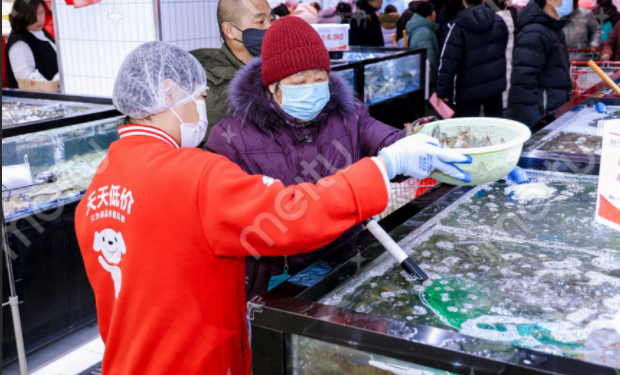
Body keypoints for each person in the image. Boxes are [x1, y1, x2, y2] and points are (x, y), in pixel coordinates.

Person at [76, 40, 471, 375]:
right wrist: (384, 168)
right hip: (194, 362)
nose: (202, 107)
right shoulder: (194, 173)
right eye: (198, 97)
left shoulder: (100, 184)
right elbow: (291, 216)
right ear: (167, 93)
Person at [207, 16, 469, 297]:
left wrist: (425, 141)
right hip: (278, 274)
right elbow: (238, 220)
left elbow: (389, 142)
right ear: (272, 85)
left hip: (346, 256)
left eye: (319, 77)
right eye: (299, 80)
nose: (312, 86)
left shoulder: (349, 114)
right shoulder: (230, 138)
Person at [190, 0, 274, 139]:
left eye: (271, 20)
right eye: (260, 22)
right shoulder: (210, 84)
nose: (270, 27)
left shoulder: (277, 67)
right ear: (229, 30)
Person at [507, 0, 581, 128]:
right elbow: (523, 82)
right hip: (540, 118)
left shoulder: (553, 29)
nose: (570, 0)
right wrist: (536, 122)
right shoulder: (534, 33)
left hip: (550, 114)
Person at [436, 0, 508, 118]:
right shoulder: (499, 21)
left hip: (467, 90)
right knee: (496, 129)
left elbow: (448, 62)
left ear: (463, 1)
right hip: (494, 86)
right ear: (483, 0)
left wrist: (442, 92)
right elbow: (501, 49)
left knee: (467, 131)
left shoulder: (457, 26)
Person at [5, 0, 58, 88]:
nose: (39, 19)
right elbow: (27, 80)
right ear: (22, 15)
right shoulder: (19, 44)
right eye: (34, 14)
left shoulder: (39, 30)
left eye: (42, 12)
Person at [483, 0, 515, 109]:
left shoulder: (477, 20)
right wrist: (510, 5)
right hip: (505, 74)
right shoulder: (507, 18)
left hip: (483, 82)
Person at [404, 1, 440, 89]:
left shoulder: (419, 28)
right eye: (434, 12)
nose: (435, 14)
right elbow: (430, 58)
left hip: (420, 76)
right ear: (428, 15)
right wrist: (438, 72)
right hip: (426, 78)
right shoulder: (424, 33)